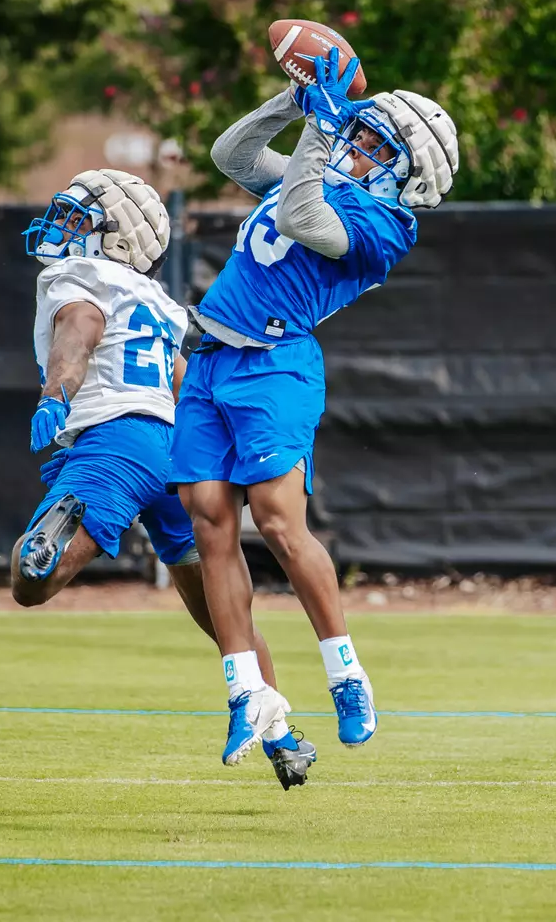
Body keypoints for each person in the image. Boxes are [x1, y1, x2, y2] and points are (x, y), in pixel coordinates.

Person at [169, 52, 460, 766]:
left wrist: (323, 128)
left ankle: (345, 673)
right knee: (208, 518)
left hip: (274, 366)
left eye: (375, 145)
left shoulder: (385, 225)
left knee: (276, 521)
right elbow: (231, 153)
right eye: (358, 134)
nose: (357, 146)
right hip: (211, 360)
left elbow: (301, 213)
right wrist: (295, 101)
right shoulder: (321, 162)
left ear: (405, 172)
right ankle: (247, 694)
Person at [12, 168, 316, 789]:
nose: (63, 226)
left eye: (79, 219)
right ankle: (281, 732)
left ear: (116, 238)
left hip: (113, 441)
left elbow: (79, 332)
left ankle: (56, 528)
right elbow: (185, 376)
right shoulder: (159, 301)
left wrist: (55, 394)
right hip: (175, 448)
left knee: (28, 582)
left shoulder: (79, 278)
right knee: (219, 609)